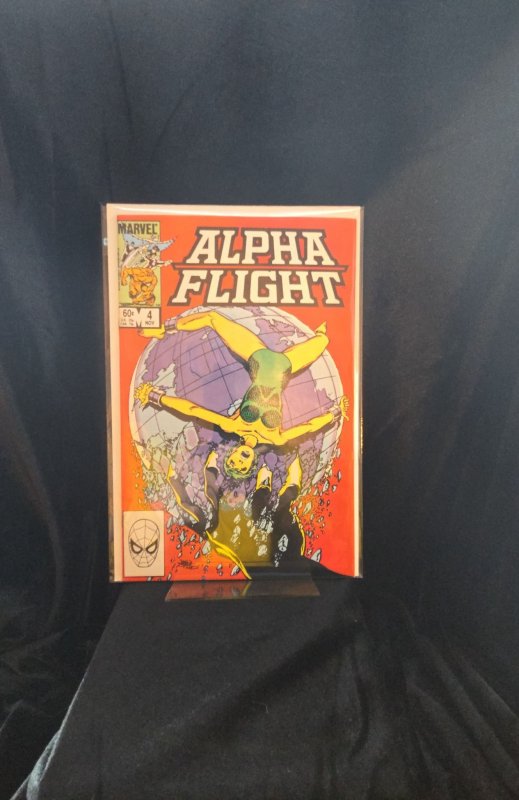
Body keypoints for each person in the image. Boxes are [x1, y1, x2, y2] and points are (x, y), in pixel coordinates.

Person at [135, 309, 349, 478]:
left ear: (233, 452)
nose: (239, 461)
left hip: (257, 356)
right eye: (242, 466)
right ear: (252, 463)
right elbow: (310, 426)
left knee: (213, 317)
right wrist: (336, 413)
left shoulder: (232, 425)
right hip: (286, 365)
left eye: (233, 461)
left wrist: (156, 397)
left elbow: (193, 410)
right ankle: (321, 331)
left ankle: (163, 328)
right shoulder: (276, 437)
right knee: (323, 339)